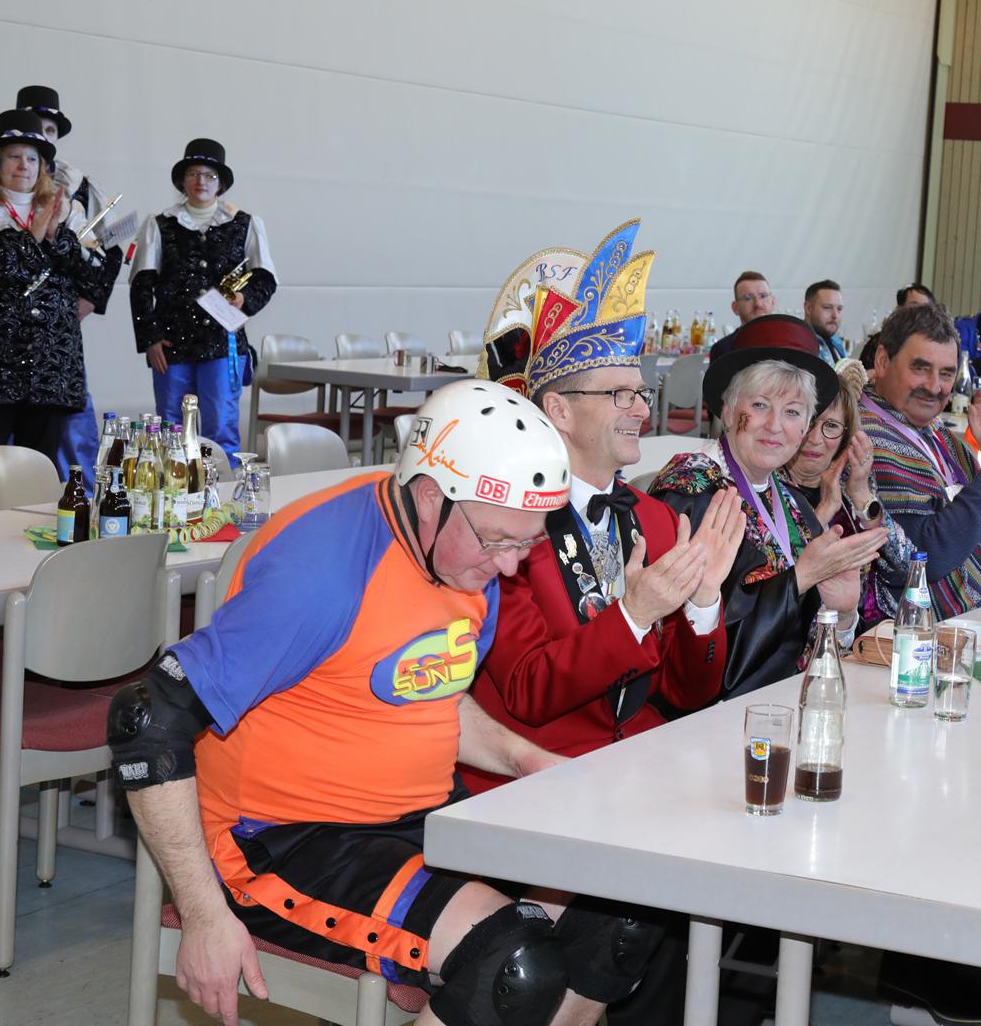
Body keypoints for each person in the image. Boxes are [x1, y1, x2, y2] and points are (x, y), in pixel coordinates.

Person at [110, 380, 666, 1026]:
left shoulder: (466, 556)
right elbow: (145, 719)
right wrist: (203, 913)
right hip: (284, 838)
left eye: (527, 544)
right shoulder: (321, 574)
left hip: (419, 816)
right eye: (497, 541)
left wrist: (524, 760)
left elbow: (428, 687)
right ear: (430, 497)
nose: (512, 568)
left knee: (625, 908)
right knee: (510, 969)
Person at [463, 221, 743, 792]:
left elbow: (689, 694)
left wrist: (703, 602)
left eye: (641, 392)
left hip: (641, 767)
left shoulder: (656, 517)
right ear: (559, 410)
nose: (642, 410)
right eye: (620, 394)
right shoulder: (503, 525)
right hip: (537, 778)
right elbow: (526, 690)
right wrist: (634, 615)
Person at [649, 314, 886, 700]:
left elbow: (813, 648)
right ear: (728, 411)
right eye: (760, 405)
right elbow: (703, 665)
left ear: (806, 425)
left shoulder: (792, 504)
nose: (776, 425)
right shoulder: (689, 495)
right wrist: (801, 577)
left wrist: (842, 614)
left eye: (793, 412)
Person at [0, 110, 109, 513]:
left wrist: (56, 237)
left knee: (39, 468)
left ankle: (31, 543)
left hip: (50, 365)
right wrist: (31, 236)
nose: (23, 166)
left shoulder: (65, 209)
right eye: (13, 156)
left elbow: (96, 272)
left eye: (32, 158)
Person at [860, 304, 981, 618]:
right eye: (920, 368)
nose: (935, 387)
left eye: (946, 373)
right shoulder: (866, 436)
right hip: (925, 634)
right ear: (882, 361)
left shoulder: (935, 429)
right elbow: (926, 557)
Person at [129, 139, 275, 459]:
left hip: (223, 343)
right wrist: (150, 339)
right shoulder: (159, 224)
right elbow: (141, 286)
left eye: (209, 175)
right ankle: (171, 488)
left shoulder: (245, 223)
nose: (201, 181)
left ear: (220, 183)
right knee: (171, 428)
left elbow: (265, 279)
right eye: (194, 174)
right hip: (171, 345)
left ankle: (222, 489)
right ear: (183, 181)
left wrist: (244, 298)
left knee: (220, 427)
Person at [17, 86, 125, 481]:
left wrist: (89, 300)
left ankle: (82, 492)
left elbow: (110, 248)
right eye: (34, 128)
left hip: (57, 323)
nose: (42, 137)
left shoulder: (80, 187)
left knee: (69, 408)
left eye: (48, 130)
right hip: (7, 326)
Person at [782, 359, 914, 631]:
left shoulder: (849, 480)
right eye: (809, 422)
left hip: (864, 632)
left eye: (831, 425)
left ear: (846, 435)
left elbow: (907, 569)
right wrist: (823, 512)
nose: (815, 439)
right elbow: (780, 584)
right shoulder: (770, 485)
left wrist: (861, 494)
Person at [707, 271, 775, 361]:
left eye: (763, 296)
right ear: (735, 308)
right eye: (748, 298)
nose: (758, 304)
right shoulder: (723, 350)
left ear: (773, 302)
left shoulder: (788, 344)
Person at [802, 278, 846, 364]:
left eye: (839, 309)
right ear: (808, 308)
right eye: (827, 307)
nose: (835, 315)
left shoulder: (836, 342)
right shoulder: (798, 344)